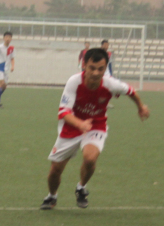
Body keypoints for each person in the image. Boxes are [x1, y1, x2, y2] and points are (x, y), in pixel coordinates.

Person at [40, 48, 149, 210]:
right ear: (84, 65)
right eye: (92, 68)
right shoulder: (74, 82)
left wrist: (140, 107)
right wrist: (80, 124)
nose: (96, 73)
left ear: (105, 68)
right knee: (55, 169)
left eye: (100, 69)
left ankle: (81, 187)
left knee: (90, 159)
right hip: (71, 126)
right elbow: (63, 112)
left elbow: (131, 92)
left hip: (96, 125)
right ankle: (52, 196)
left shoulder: (111, 84)